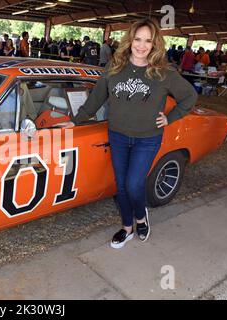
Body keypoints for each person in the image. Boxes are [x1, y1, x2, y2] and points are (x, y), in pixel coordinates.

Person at [60, 19, 197, 249]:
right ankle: (127, 228)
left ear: (155, 45)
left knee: (134, 184)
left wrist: (170, 118)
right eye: (137, 39)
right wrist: (75, 121)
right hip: (119, 136)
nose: (142, 46)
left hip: (147, 138)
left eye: (148, 41)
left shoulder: (163, 72)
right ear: (130, 40)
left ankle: (141, 218)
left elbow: (189, 97)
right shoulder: (114, 67)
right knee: (121, 186)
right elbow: (96, 99)